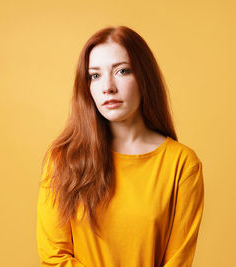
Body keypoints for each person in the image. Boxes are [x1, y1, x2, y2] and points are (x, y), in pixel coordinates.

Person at [36, 25, 205, 267]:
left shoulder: (182, 165)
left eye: (122, 71)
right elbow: (54, 257)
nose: (108, 87)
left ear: (145, 78)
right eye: (95, 75)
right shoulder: (63, 159)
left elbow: (177, 261)